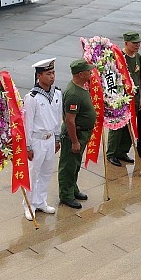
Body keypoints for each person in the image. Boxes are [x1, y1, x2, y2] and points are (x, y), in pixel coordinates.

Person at [23, 58, 62, 220]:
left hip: (50, 138)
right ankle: (29, 205)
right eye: (48, 74)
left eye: (53, 73)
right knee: (33, 173)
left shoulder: (57, 93)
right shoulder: (32, 97)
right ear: (39, 76)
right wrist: (28, 146)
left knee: (46, 172)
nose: (52, 76)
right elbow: (27, 123)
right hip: (37, 140)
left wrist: (57, 137)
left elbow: (58, 117)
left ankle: (40, 201)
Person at [57, 59, 96, 209]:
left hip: (82, 133)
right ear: (80, 74)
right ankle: (66, 195)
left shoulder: (81, 87)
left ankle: (73, 189)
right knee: (68, 165)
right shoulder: (73, 94)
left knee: (75, 164)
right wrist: (74, 141)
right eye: (88, 70)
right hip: (74, 135)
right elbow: (70, 120)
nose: (91, 72)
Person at [107, 31, 141, 166]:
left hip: (134, 96)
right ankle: (111, 153)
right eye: (134, 43)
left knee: (131, 124)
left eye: (138, 43)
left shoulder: (137, 57)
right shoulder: (118, 57)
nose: (137, 45)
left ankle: (123, 151)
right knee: (117, 125)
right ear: (126, 43)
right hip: (120, 97)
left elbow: (138, 77)